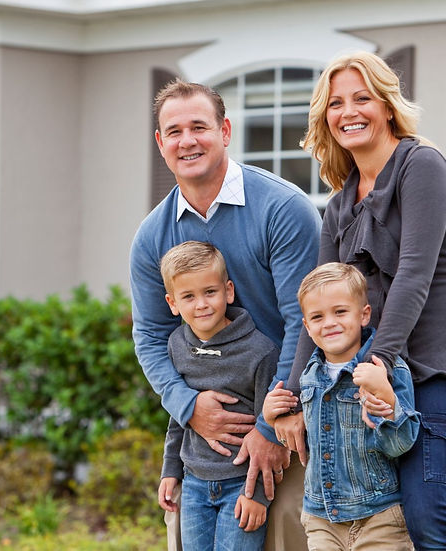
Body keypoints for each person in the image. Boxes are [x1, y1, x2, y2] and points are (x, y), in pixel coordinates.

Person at [275, 51, 446, 550]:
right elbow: (318, 302)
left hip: (434, 366)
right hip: (374, 375)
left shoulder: (423, 168)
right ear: (324, 118)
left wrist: (377, 361)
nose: (348, 111)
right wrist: (290, 397)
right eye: (336, 103)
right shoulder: (338, 205)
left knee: (425, 515)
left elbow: (415, 274)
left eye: (362, 98)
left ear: (388, 106)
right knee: (379, 520)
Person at [130, 79, 321, 551]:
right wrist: (188, 406)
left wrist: (270, 426)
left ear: (226, 130)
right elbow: (152, 335)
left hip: (289, 415)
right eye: (174, 131)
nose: (187, 140)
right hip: (203, 442)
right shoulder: (152, 236)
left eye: (200, 126)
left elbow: (306, 324)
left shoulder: (283, 208)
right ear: (160, 143)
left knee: (281, 539)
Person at [264, 262, 419, 550]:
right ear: (307, 327)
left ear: (364, 315)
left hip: (379, 516)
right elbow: (312, 442)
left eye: (340, 312)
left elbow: (401, 443)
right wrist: (272, 418)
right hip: (322, 518)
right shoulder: (307, 377)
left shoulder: (386, 370)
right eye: (318, 316)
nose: (330, 323)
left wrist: (386, 396)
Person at [157, 241, 277, 549]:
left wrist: (258, 496)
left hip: (242, 486)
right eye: (188, 296)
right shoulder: (177, 345)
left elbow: (271, 427)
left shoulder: (260, 352)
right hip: (195, 483)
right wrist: (170, 471)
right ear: (173, 303)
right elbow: (179, 416)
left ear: (229, 291)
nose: (201, 304)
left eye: (210, 292)